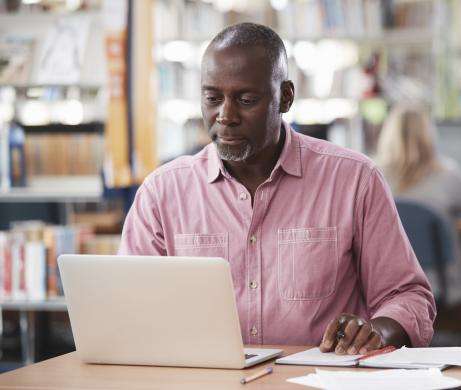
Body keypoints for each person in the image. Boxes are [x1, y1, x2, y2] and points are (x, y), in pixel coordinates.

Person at [118, 23, 435, 354]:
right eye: (213, 98)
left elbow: (408, 296)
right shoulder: (162, 192)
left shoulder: (354, 180)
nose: (225, 116)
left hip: (319, 380)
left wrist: (377, 331)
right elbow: (127, 307)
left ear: (285, 97)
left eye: (246, 99)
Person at [377, 105, 461, 306]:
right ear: (429, 135)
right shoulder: (448, 174)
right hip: (440, 284)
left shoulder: (373, 176)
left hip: (388, 286)